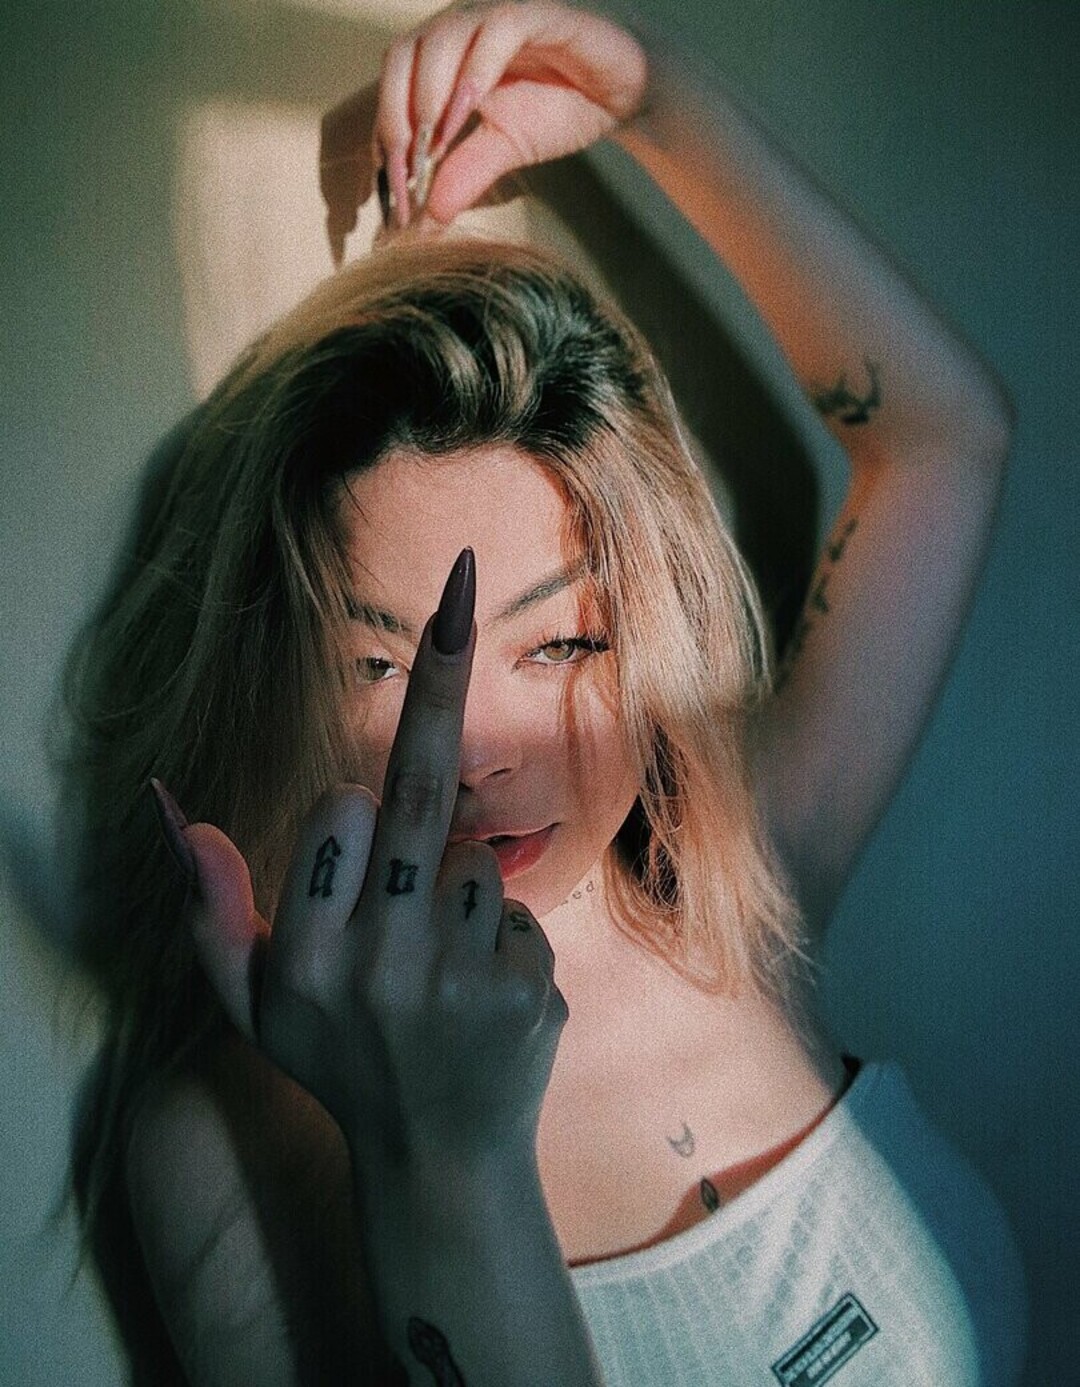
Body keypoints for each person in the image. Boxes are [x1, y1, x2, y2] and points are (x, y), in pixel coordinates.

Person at [61, 2, 1026, 1383]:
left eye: (563, 645)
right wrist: (435, 1159)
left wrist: (652, 96)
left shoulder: (732, 887)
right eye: (386, 666)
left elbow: (943, 439)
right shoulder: (228, 1142)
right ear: (283, 677)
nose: (478, 754)